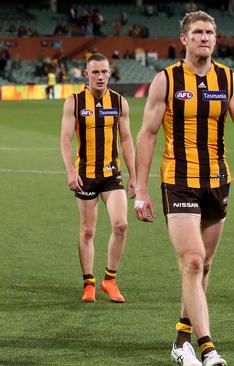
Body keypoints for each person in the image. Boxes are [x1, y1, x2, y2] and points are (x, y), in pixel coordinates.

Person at [134, 11, 230, 366]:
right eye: (198, 32)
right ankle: (207, 348)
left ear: (215, 39)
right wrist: (140, 189)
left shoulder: (227, 79)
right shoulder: (167, 80)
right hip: (179, 182)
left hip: (218, 182)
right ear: (184, 39)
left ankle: (181, 340)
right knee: (192, 260)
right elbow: (147, 134)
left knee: (203, 267)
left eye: (210, 33)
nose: (205, 38)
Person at [60, 53, 135, 304]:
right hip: (86, 176)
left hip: (111, 175)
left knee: (121, 225)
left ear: (109, 73)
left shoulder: (120, 102)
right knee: (88, 230)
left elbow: (126, 140)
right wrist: (70, 171)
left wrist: (134, 175)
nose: (100, 77)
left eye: (104, 72)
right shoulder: (74, 102)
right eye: (95, 72)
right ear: (86, 74)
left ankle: (110, 280)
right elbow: (65, 140)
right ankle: (89, 283)